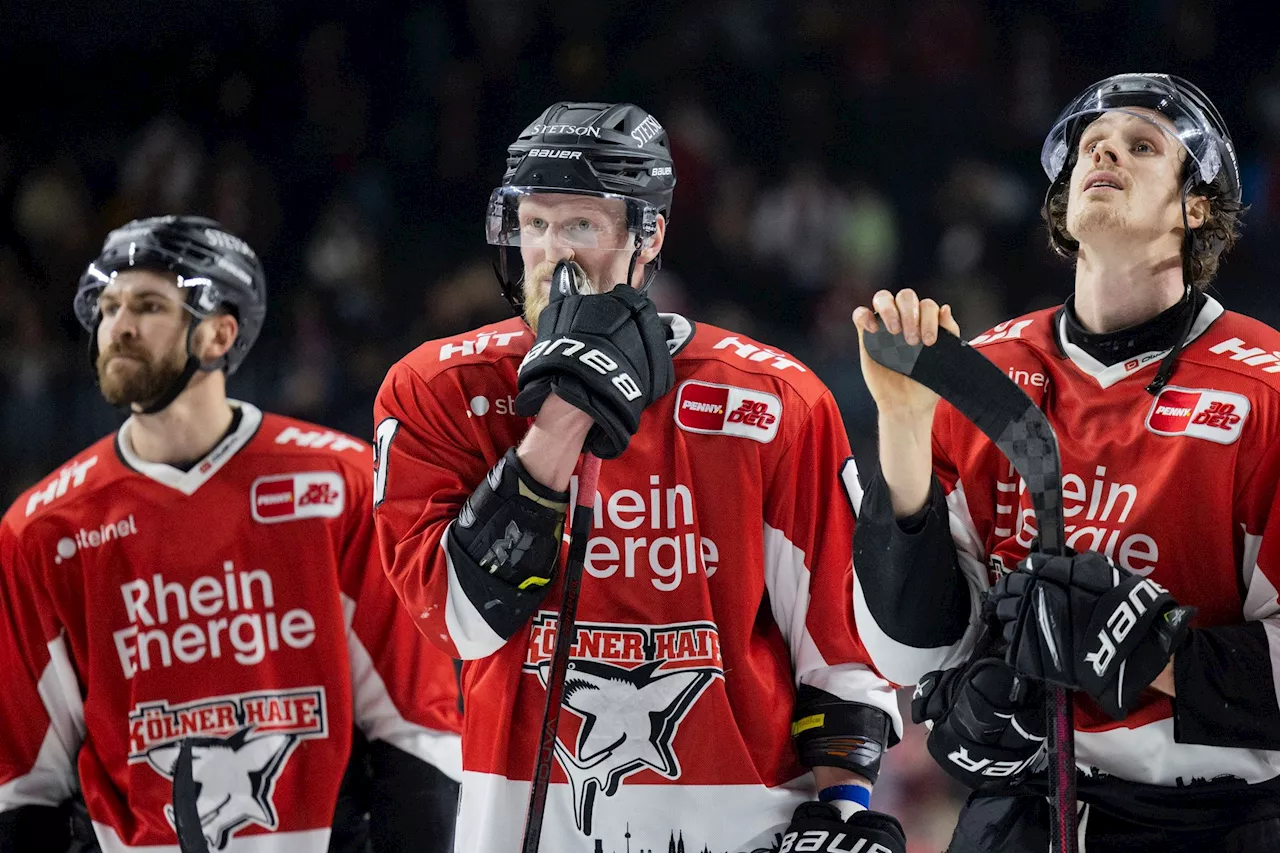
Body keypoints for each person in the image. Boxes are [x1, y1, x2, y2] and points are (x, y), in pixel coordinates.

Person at [372, 102, 906, 853]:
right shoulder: (438, 388)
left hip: (743, 830)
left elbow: (841, 652)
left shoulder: (771, 400)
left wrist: (844, 814)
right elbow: (459, 620)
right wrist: (559, 421)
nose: (551, 254)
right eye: (534, 225)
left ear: (648, 235)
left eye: (580, 228)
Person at [849, 72, 1280, 851]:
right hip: (1018, 810)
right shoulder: (982, 370)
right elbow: (908, 653)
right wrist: (904, 427)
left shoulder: (1266, 387)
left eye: (1142, 146)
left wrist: (1156, 650)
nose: (1106, 151)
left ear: (1197, 206)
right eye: (1090, 146)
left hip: (1212, 822)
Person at [0, 216, 463, 853]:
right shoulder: (41, 530)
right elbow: (26, 782)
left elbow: (419, 732)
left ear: (219, 334)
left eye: (149, 305)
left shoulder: (342, 485)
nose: (118, 326)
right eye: (107, 308)